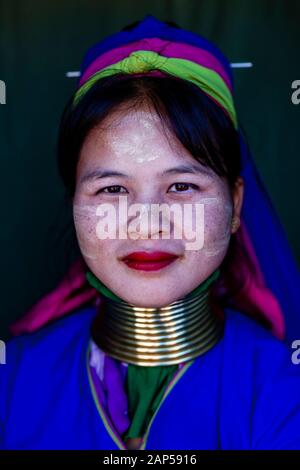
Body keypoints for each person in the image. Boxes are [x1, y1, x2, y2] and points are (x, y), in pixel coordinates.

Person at [1, 14, 300, 451]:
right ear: (73, 205)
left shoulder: (280, 390)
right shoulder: (13, 380)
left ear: (235, 204)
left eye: (181, 186)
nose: (146, 221)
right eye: (112, 188)